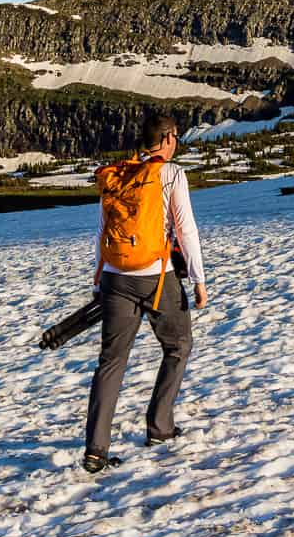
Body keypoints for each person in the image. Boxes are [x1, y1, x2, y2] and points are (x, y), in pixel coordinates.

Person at [82, 110, 208, 474]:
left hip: (115, 277)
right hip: (156, 277)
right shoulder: (170, 174)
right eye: (176, 138)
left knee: (111, 361)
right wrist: (198, 278)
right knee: (178, 344)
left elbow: (103, 226)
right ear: (167, 138)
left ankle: (95, 450)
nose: (177, 144)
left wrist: (100, 273)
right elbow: (185, 230)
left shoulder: (119, 174)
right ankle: (159, 425)